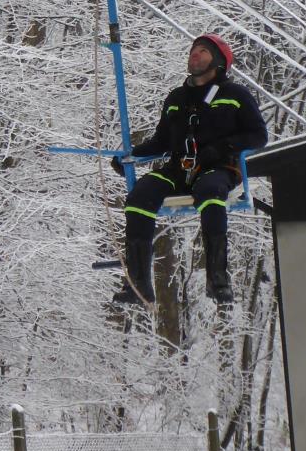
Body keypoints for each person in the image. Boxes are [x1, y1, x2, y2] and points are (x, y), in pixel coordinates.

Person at [113, 33, 267, 306]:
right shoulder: (176, 98)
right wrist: (130, 155)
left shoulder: (236, 96)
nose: (195, 55)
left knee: (210, 191)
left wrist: (222, 148)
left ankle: (218, 279)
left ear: (218, 61)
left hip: (218, 167)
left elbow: (258, 135)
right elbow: (161, 141)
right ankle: (138, 284)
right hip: (179, 169)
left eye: (203, 51)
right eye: (193, 50)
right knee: (139, 197)